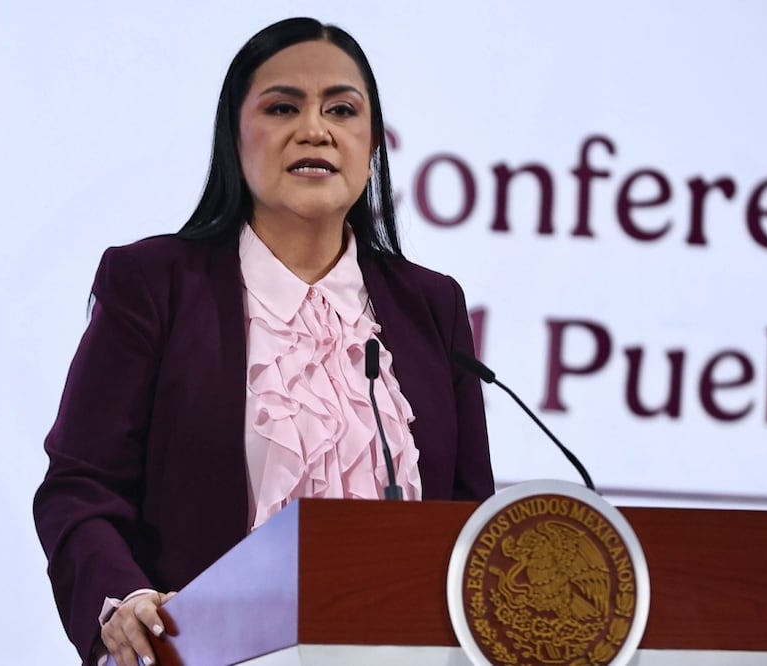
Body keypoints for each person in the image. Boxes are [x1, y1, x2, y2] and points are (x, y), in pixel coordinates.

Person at [33, 17, 494, 666]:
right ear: (235, 137)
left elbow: (471, 521)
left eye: (342, 109)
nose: (315, 129)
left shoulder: (432, 306)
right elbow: (81, 488)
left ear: (372, 148)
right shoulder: (154, 283)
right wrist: (124, 598)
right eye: (283, 107)